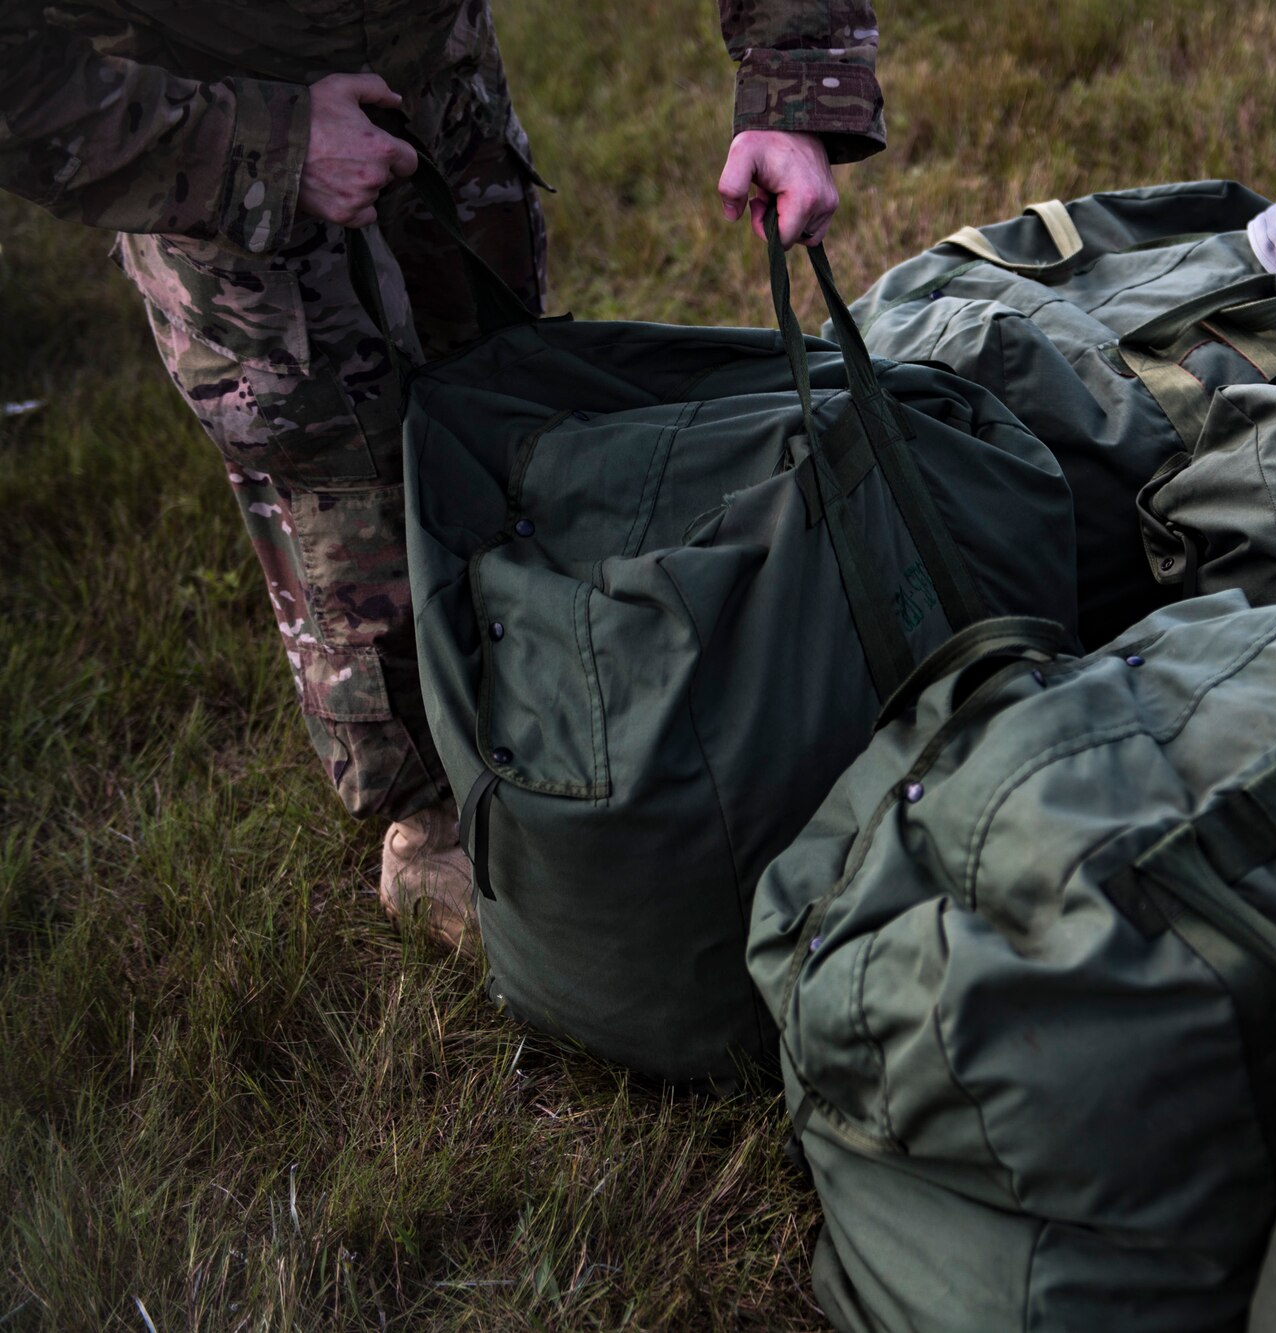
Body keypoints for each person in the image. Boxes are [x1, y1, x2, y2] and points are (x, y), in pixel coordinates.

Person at [0, 0, 884, 946]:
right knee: (352, 484)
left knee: (516, 422)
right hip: (230, 164)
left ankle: (591, 730)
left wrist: (790, 88)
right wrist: (265, 144)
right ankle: (439, 830)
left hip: (445, 103)